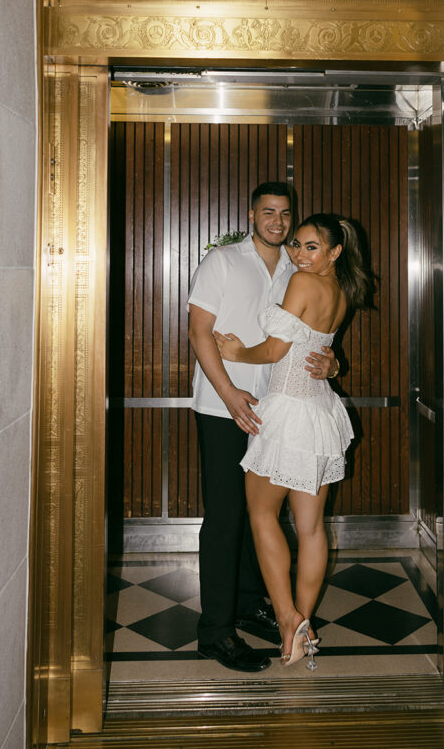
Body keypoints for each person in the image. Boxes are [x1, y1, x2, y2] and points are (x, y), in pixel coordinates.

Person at [187, 183, 338, 673]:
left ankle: (256, 602)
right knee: (229, 516)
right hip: (225, 404)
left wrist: (333, 364)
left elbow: (308, 336)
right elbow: (198, 331)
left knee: (264, 515)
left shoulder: (298, 267)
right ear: (252, 214)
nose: (277, 222)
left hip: (277, 409)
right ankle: (215, 631)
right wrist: (229, 393)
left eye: (285, 215)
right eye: (268, 212)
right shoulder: (223, 262)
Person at [214, 213, 373, 669]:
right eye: (297, 245)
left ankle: (287, 619)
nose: (299, 254)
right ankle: (303, 626)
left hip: (288, 410)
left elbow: (274, 351)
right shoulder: (341, 291)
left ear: (334, 252)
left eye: (310, 247)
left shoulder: (303, 284)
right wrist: (335, 366)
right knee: (310, 527)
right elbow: (318, 350)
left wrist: (235, 351)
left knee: (262, 514)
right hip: (320, 412)